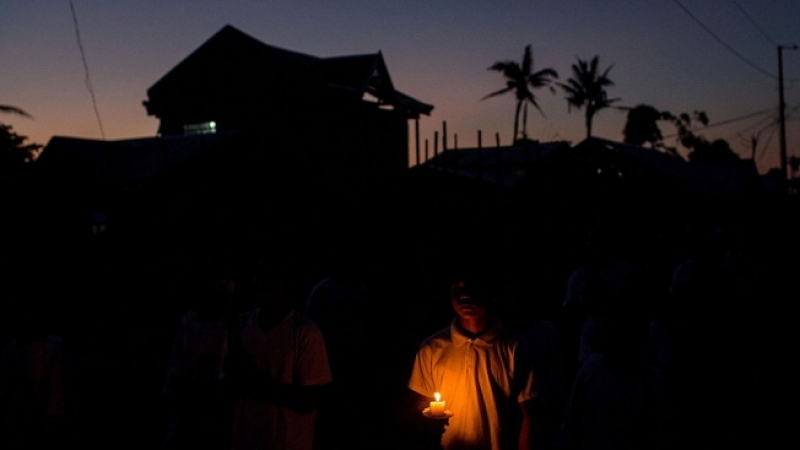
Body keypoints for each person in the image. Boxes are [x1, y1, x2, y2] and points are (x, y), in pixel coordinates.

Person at [406, 264, 538, 450]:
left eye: (472, 287)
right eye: (457, 288)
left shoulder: (514, 348)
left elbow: (529, 415)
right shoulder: (432, 348)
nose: (464, 295)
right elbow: (419, 413)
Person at [225, 254, 332, 450]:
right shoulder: (242, 325)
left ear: (286, 286)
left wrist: (255, 380)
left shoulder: (305, 332)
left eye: (270, 281)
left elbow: (308, 401)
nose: (262, 287)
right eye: (260, 280)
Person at [160, 255, 238, 450]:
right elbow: (175, 376)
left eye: (226, 294)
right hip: (189, 415)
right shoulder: (188, 323)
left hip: (213, 417)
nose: (221, 299)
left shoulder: (233, 328)